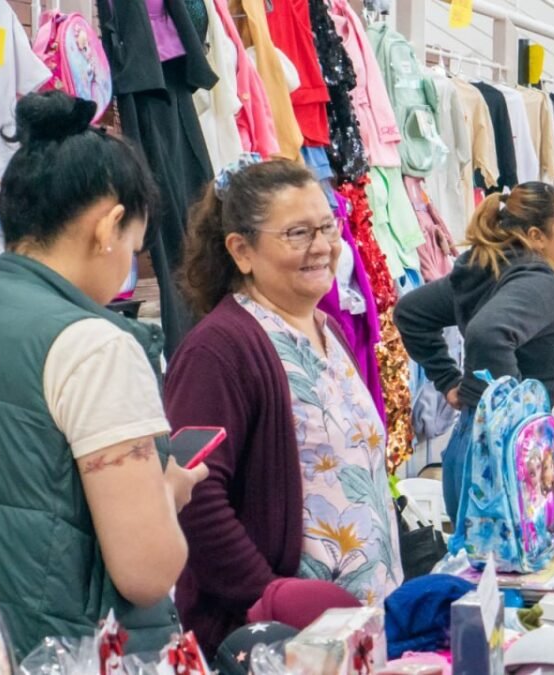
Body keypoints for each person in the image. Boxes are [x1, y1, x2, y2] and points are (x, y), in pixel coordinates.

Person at [0, 92, 205, 658]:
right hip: (57, 652)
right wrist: (168, 490)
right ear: (109, 226)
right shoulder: (96, 347)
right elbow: (146, 570)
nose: (128, 264)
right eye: (134, 246)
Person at [164, 158, 401, 656]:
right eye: (298, 233)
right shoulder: (219, 350)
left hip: (355, 635)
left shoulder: (327, 330)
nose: (323, 246)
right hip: (281, 645)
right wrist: (270, 597)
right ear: (241, 250)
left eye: (328, 226)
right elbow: (194, 498)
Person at [395, 182, 554, 522]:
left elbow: (411, 312)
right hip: (504, 465)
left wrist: (451, 382)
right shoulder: (539, 280)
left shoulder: (491, 271)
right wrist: (509, 419)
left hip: (478, 453)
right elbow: (488, 333)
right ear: (536, 236)